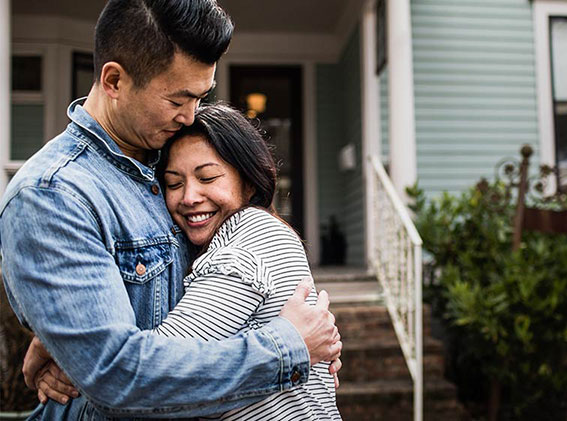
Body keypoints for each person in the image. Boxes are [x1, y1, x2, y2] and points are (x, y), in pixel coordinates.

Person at [0, 1, 341, 419]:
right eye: (178, 99)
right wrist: (287, 348)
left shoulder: (162, 159)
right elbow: (117, 376)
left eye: (200, 97)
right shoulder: (54, 194)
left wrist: (307, 340)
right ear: (114, 81)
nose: (190, 115)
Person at [152, 103, 342, 419]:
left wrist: (77, 354)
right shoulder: (234, 238)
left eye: (208, 177)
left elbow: (159, 369)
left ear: (249, 182)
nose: (188, 197)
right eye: (174, 183)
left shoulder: (252, 233)